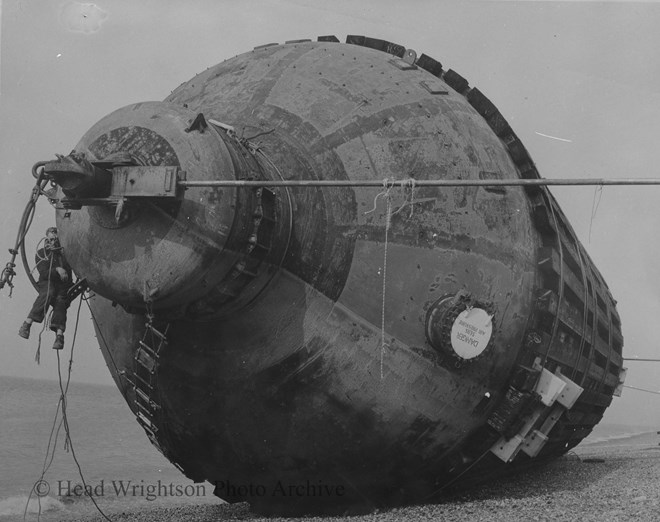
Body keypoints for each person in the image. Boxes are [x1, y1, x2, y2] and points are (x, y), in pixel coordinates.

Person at [18, 227, 72, 350]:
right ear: (47, 240)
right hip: (47, 281)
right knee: (49, 292)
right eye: (51, 239)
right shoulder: (42, 253)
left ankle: (59, 335)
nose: (54, 242)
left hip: (61, 285)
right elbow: (43, 273)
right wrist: (57, 269)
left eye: (57, 240)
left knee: (61, 300)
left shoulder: (64, 255)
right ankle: (27, 323)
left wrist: (69, 284)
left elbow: (69, 274)